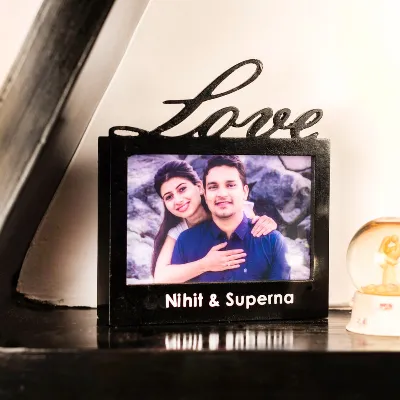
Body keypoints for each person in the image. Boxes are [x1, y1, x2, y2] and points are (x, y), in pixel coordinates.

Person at [152, 159, 277, 283]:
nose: (178, 200)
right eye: (169, 197)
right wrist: (205, 264)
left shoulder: (229, 207)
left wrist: (266, 223)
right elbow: (160, 278)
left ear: (200, 187)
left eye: (182, 189)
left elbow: (257, 230)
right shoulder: (177, 232)